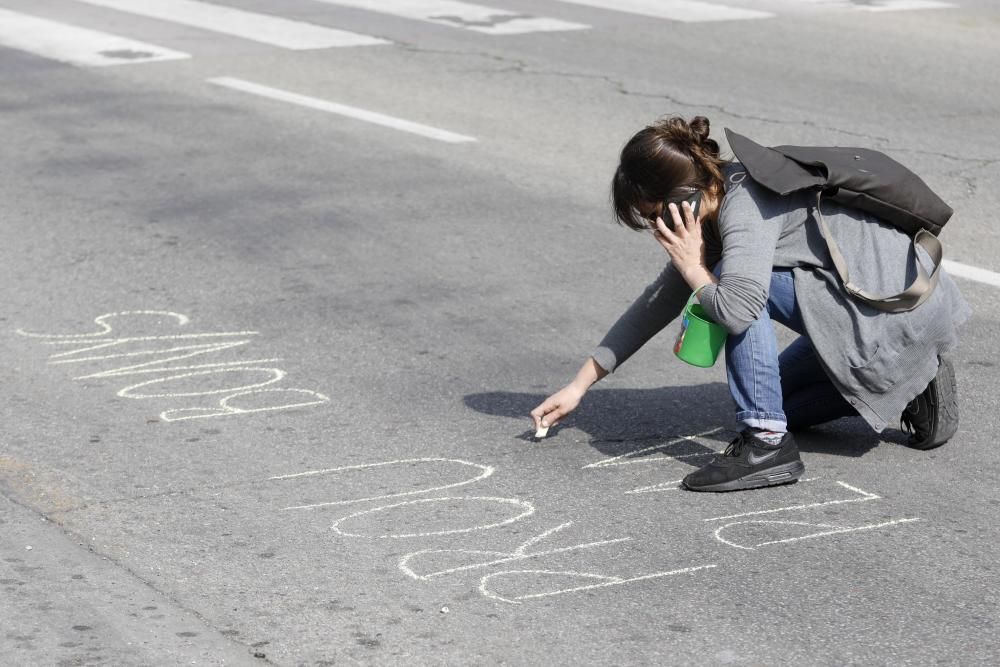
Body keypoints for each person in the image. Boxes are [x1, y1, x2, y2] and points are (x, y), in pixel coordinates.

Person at [530, 115, 970, 492]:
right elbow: (658, 302)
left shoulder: (746, 201)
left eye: (654, 212)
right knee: (780, 398)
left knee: (728, 292)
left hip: (887, 316)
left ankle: (766, 445)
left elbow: (737, 309)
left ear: (685, 195)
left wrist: (694, 269)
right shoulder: (721, 195)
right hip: (890, 315)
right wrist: (579, 385)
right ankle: (914, 382)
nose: (654, 225)